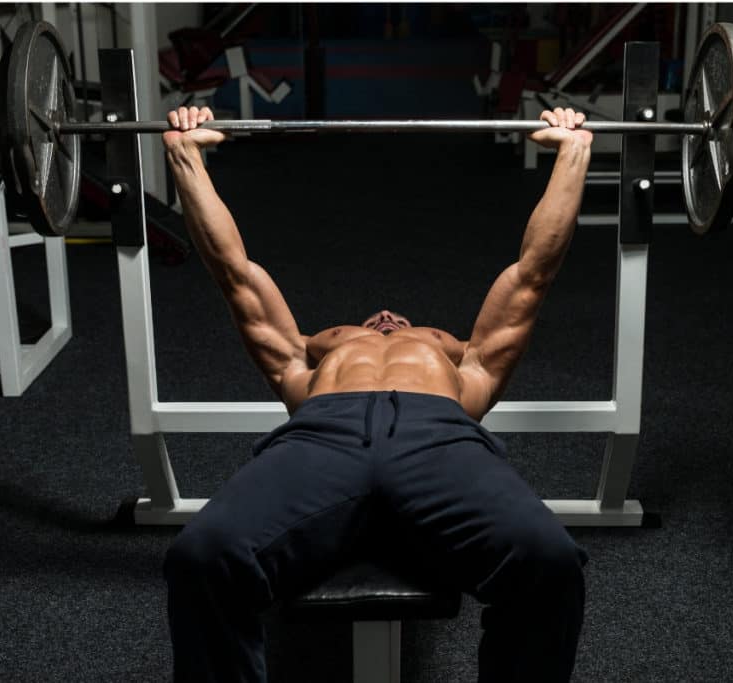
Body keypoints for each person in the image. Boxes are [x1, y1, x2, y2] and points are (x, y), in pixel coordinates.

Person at [161, 105, 593, 682]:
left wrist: (573, 151)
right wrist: (185, 155)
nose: (386, 317)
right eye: (363, 327)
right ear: (320, 346)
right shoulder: (299, 365)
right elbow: (235, 273)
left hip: (437, 437)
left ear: (453, 347)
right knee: (200, 559)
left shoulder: (473, 369)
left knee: (551, 562)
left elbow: (532, 272)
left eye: (411, 326)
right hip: (323, 435)